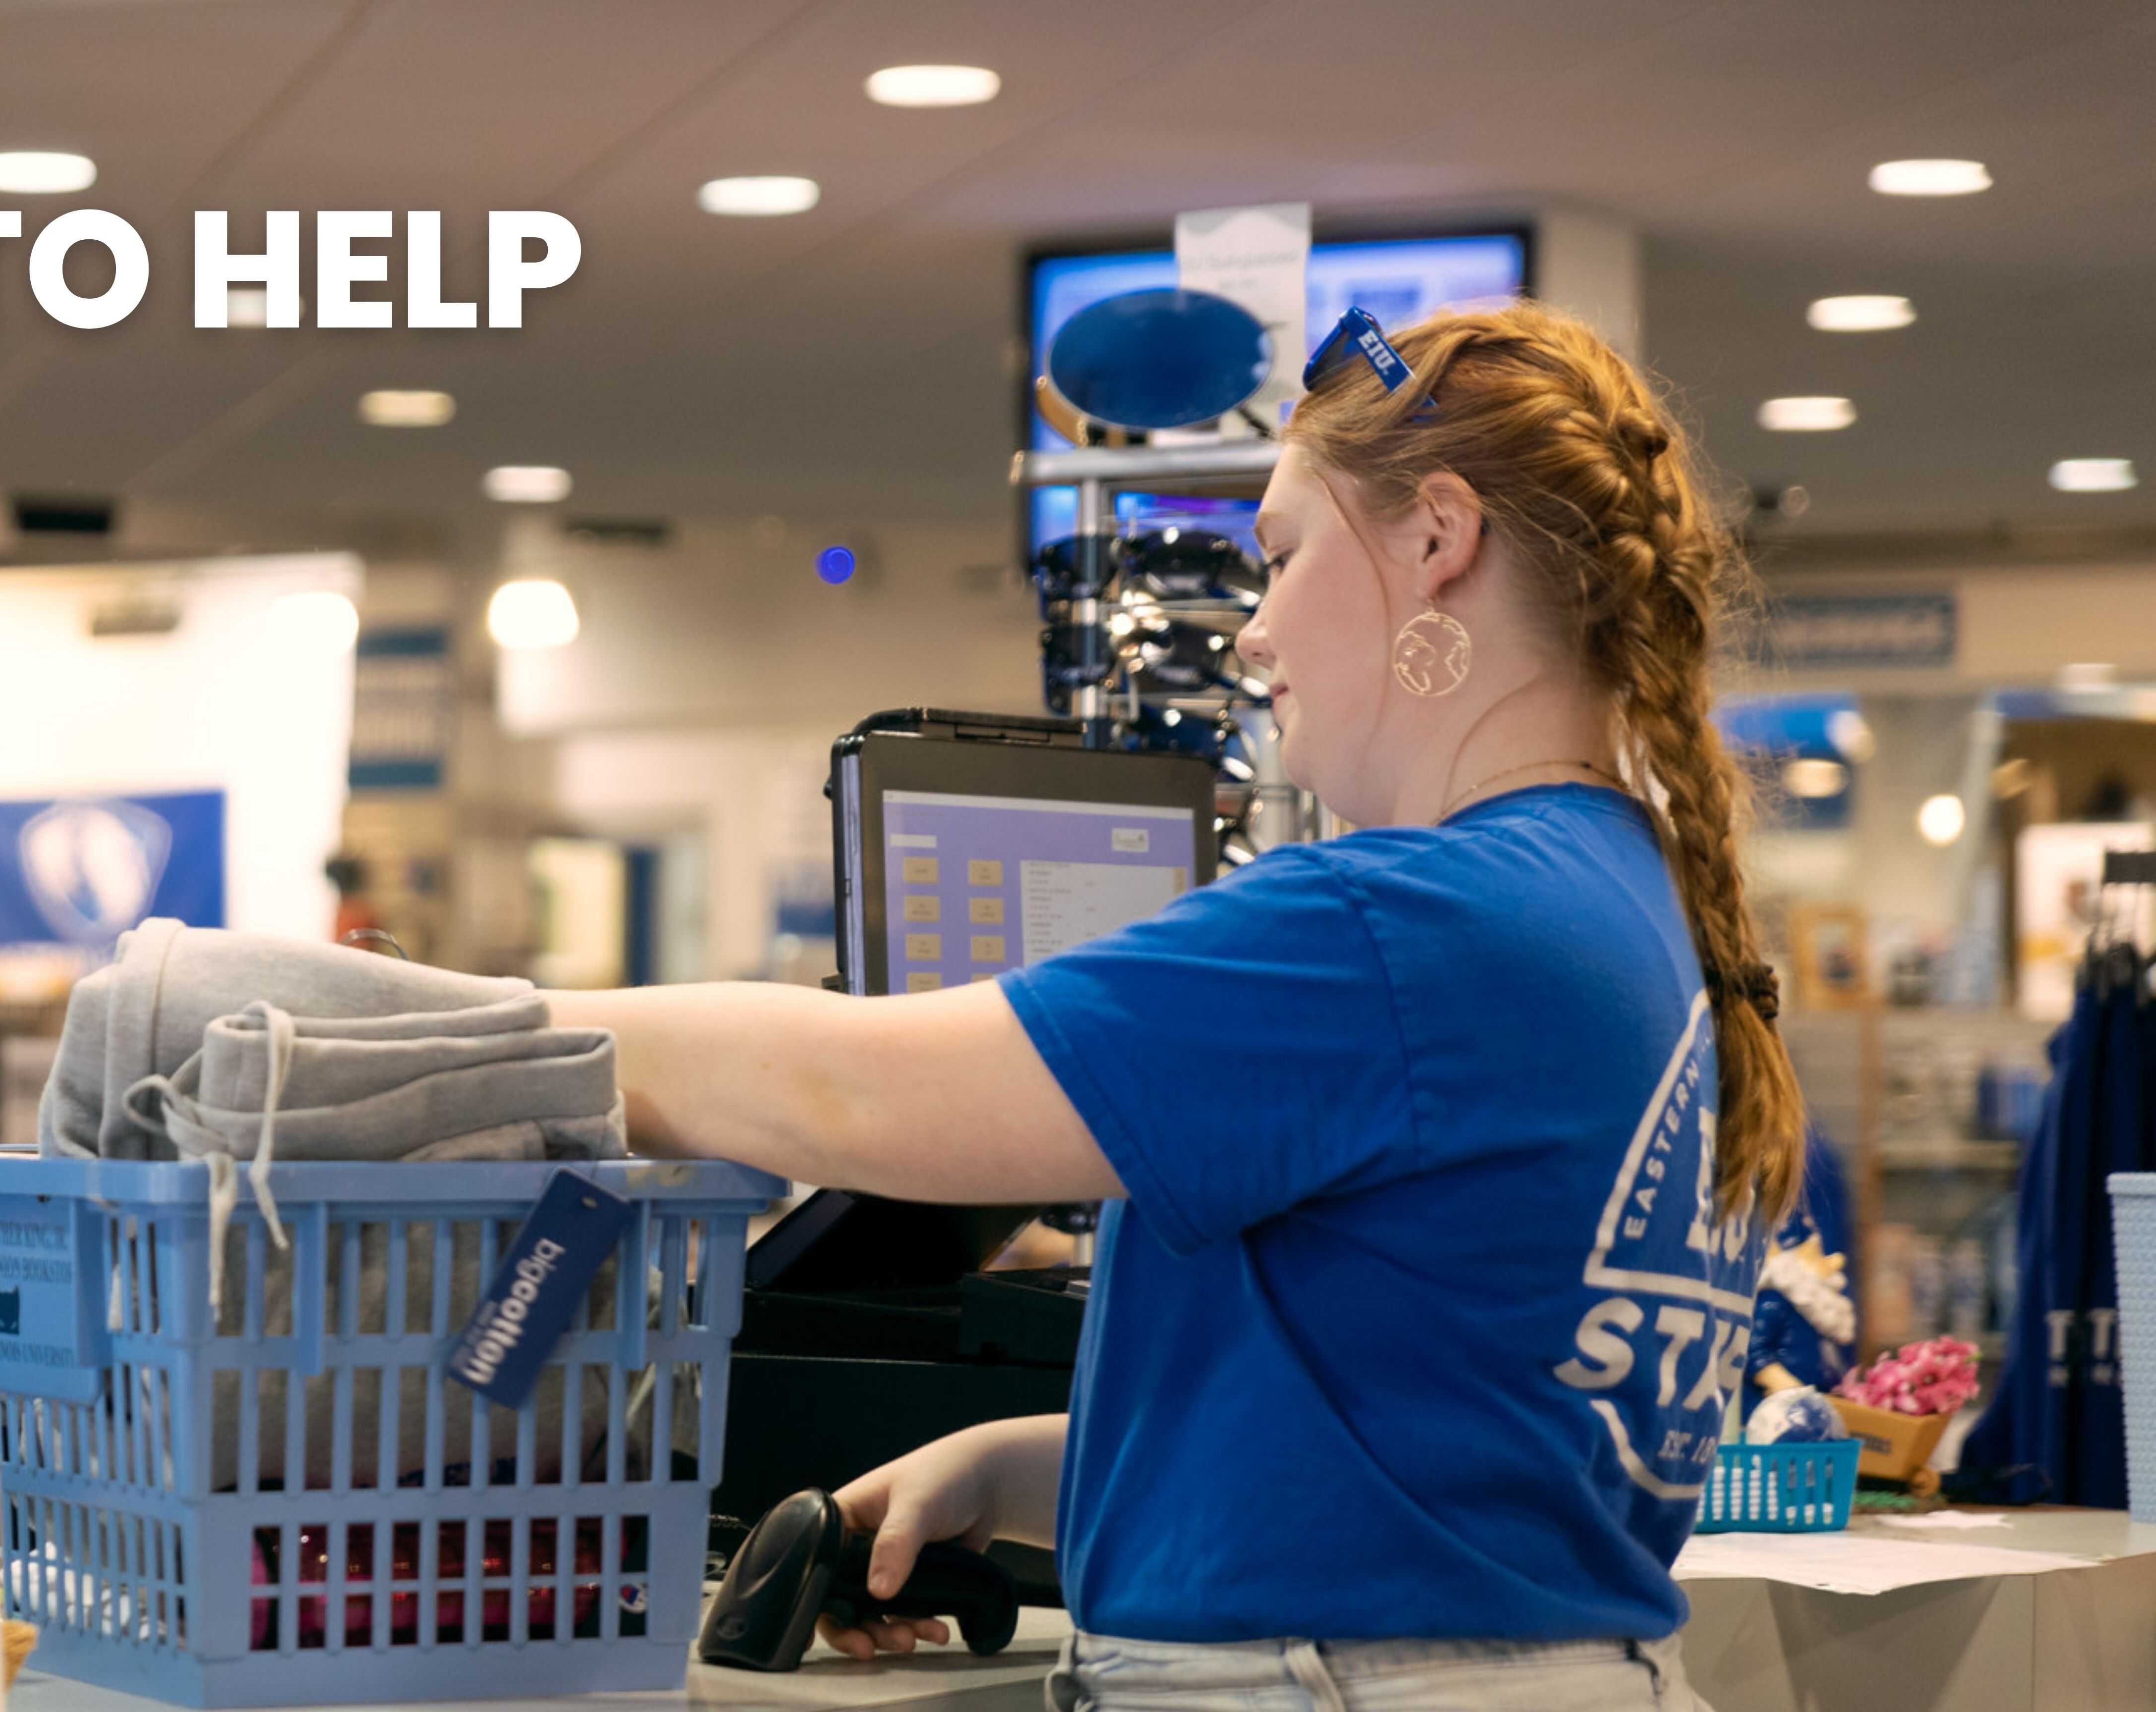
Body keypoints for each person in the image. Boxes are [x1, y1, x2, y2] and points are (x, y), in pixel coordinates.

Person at [551, 301, 1796, 1711]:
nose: (1256, 639)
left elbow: (848, 1095)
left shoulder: (1409, 923)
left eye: (1281, 556)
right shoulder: (1624, 901)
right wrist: (1021, 1470)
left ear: (1437, 540)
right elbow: (1449, 1427)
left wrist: (493, 1035)